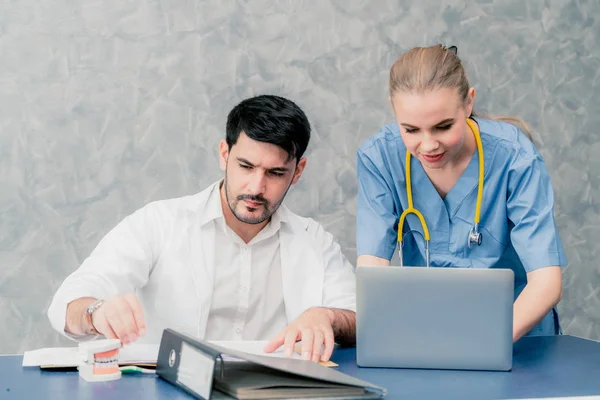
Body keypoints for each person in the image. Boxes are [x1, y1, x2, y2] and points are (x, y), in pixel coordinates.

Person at [48, 94, 356, 363]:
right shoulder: (160, 223)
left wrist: (327, 316)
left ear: (298, 171)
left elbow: (363, 320)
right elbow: (69, 303)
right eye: (245, 166)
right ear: (224, 154)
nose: (256, 187)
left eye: (275, 173)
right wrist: (96, 312)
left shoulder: (314, 240)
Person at [355, 44, 566, 342]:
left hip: (517, 330)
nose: (428, 146)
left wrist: (488, 344)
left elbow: (546, 282)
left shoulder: (515, 158)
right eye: (411, 130)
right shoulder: (379, 158)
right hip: (430, 331)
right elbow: (372, 269)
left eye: (443, 127)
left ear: (468, 103)